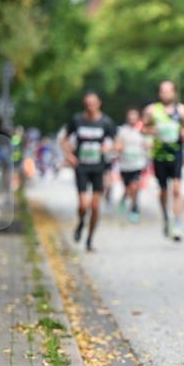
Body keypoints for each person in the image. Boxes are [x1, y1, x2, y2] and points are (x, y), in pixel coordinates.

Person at [61, 91, 117, 252]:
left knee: (95, 206)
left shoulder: (106, 122)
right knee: (83, 205)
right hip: (82, 167)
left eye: (92, 103)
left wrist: (110, 147)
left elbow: (118, 143)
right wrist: (69, 155)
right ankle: (80, 223)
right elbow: (64, 139)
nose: (90, 106)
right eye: (87, 103)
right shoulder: (77, 120)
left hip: (99, 167)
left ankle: (90, 239)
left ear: (99, 103)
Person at [143, 81, 184, 242]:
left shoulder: (182, 110)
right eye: (163, 91)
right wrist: (151, 130)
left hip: (176, 153)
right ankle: (165, 216)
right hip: (159, 155)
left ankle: (177, 225)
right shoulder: (151, 110)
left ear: (174, 93)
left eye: (169, 91)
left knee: (177, 189)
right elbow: (142, 128)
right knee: (163, 190)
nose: (166, 94)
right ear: (159, 93)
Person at [116, 108, 148, 223]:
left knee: (135, 187)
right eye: (130, 117)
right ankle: (124, 198)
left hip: (138, 164)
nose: (132, 119)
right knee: (128, 188)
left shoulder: (142, 130)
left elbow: (147, 145)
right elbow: (118, 145)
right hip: (125, 165)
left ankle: (134, 207)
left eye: (134, 117)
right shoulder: (122, 131)